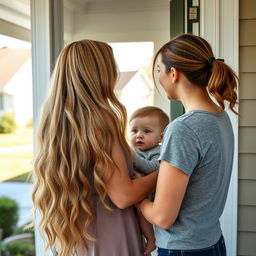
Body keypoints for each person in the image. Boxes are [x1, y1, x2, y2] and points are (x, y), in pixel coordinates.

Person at [32, 40, 158, 256]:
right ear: (99, 73)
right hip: (110, 235)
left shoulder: (52, 121)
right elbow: (124, 196)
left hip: (76, 238)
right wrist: (166, 172)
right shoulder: (100, 119)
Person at [137, 33, 239, 256]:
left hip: (183, 249)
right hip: (212, 242)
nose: (158, 78)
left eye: (158, 71)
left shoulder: (184, 128)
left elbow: (163, 217)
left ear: (173, 74)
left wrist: (138, 200)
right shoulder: (220, 117)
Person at [129, 106, 170, 254]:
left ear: (160, 137)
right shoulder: (132, 150)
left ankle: (151, 239)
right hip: (135, 193)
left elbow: (152, 168)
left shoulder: (159, 151)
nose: (139, 136)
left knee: (143, 215)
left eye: (146, 131)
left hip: (152, 197)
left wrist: (132, 158)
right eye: (134, 131)